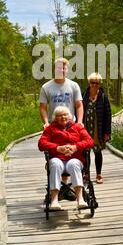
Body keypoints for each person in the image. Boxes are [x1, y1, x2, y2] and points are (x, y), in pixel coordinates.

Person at [39, 57, 84, 200]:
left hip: (71, 125)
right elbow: (43, 107)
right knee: (57, 155)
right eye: (59, 68)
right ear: (55, 69)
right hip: (54, 126)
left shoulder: (73, 86)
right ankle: (59, 189)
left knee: (71, 154)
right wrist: (46, 122)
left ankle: (65, 188)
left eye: (64, 68)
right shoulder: (47, 87)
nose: (62, 70)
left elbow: (79, 105)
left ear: (67, 70)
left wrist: (80, 122)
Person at [38, 106, 94, 210]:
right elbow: (41, 144)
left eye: (65, 115)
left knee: (73, 164)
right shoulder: (50, 128)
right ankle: (54, 201)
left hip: (75, 158)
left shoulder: (78, 127)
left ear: (70, 116)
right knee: (54, 163)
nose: (63, 117)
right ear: (55, 118)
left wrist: (75, 147)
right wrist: (58, 148)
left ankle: (80, 199)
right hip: (58, 158)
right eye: (59, 115)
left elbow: (90, 141)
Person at [82, 72, 112, 184]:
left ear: (99, 84)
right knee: (85, 152)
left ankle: (99, 174)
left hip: (97, 129)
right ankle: (86, 174)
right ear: (89, 83)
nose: (94, 85)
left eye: (97, 83)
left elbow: (108, 115)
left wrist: (107, 132)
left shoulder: (103, 97)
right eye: (92, 82)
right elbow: (78, 110)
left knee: (97, 151)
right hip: (85, 127)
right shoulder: (84, 95)